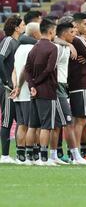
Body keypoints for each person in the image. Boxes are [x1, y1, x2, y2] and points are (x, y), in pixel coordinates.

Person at [52, 21, 86, 166]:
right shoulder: (57, 46)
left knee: (57, 124)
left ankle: (53, 156)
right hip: (59, 87)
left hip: (63, 86)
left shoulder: (65, 45)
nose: (74, 34)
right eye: (72, 31)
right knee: (69, 122)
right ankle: (74, 156)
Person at [25, 19, 59, 166]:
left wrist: (32, 85)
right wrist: (38, 82)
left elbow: (27, 69)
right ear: (51, 31)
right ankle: (43, 158)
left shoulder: (35, 47)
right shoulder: (53, 48)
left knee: (32, 125)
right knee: (46, 126)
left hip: (34, 92)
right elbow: (50, 69)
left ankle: (28, 157)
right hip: (47, 90)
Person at [10, 23, 41, 165]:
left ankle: (20, 154)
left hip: (19, 94)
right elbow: (24, 69)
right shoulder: (33, 48)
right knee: (32, 125)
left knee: (22, 124)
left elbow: (14, 70)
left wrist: (15, 86)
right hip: (28, 91)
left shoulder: (18, 49)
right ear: (35, 34)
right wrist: (20, 86)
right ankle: (32, 154)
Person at [68, 13, 86, 154]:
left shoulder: (74, 40)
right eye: (85, 24)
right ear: (77, 25)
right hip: (81, 84)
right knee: (80, 121)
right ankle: (76, 153)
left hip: (75, 84)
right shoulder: (78, 40)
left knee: (77, 121)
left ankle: (73, 152)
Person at [0, 15, 25, 164]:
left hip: (14, 87)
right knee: (7, 120)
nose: (24, 27)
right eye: (22, 25)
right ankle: (4, 155)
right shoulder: (8, 40)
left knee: (18, 119)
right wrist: (6, 81)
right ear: (16, 28)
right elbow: (0, 58)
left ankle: (17, 153)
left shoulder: (18, 43)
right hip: (7, 87)